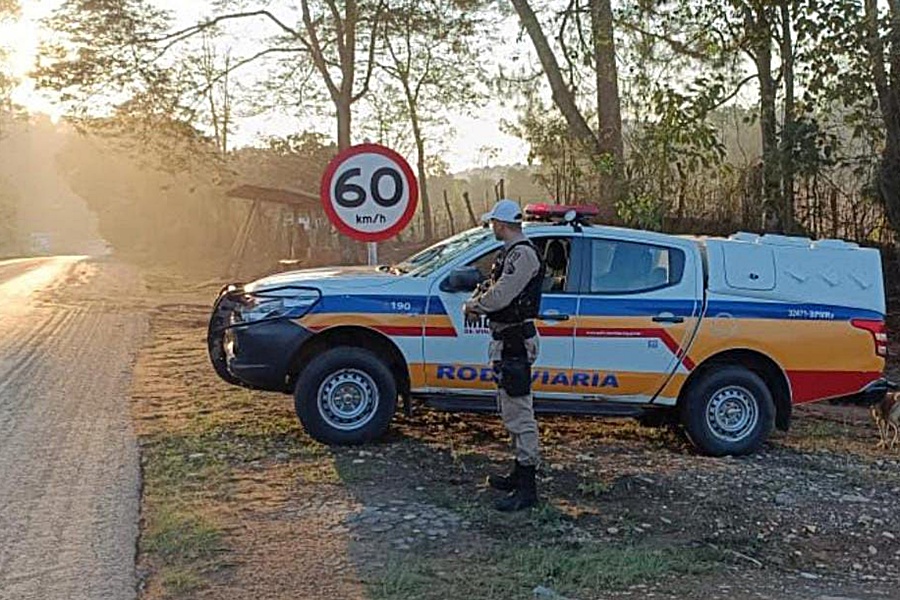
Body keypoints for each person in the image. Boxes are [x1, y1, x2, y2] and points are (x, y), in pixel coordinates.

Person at [463, 199, 545, 512]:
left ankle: (527, 487)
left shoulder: (522, 255)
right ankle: (519, 473)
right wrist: (479, 298)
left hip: (514, 342)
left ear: (501, 223)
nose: (492, 228)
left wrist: (474, 306)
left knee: (519, 413)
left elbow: (502, 294)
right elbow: (492, 285)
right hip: (507, 341)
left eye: (494, 223)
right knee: (510, 408)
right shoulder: (512, 253)